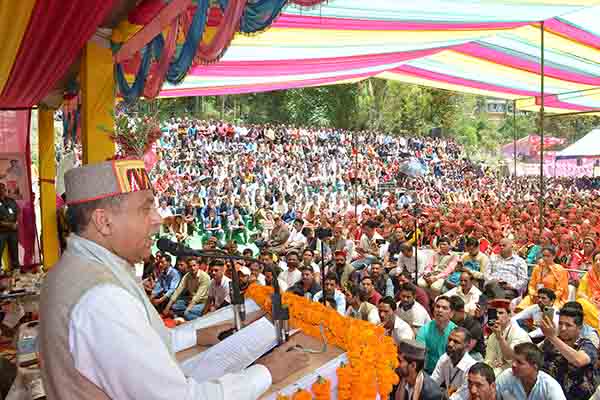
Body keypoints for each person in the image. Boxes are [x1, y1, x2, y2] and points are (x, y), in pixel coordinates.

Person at [38, 159, 308, 399]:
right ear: (104, 222)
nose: (158, 220)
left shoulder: (70, 270)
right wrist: (268, 371)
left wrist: (194, 336)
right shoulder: (102, 299)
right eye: (146, 209)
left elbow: (131, 347)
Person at [540, 302, 598, 399]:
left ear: (579, 328)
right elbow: (533, 355)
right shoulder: (551, 341)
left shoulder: (587, 345)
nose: (562, 328)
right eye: (560, 323)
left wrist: (552, 337)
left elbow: (578, 360)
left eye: (568, 325)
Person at [495, 343, 566, 400]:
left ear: (535, 367)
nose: (513, 365)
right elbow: (492, 396)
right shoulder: (506, 376)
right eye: (513, 360)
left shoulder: (550, 386)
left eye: (519, 362)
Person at [484, 298, 531, 376]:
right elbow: (489, 359)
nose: (497, 316)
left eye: (501, 313)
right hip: (500, 370)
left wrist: (500, 338)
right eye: (495, 313)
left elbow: (510, 357)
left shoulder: (518, 333)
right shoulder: (493, 335)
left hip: (519, 373)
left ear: (509, 316)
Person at [431, 327, 476, 400]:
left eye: (456, 342)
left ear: (467, 346)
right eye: (449, 339)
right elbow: (432, 384)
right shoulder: (444, 358)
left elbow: (461, 397)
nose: (450, 344)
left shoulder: (472, 367)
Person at [517, 246, 568, 311]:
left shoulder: (560, 270)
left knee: (550, 310)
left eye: (548, 256)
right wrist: (534, 294)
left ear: (554, 256)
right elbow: (531, 285)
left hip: (552, 298)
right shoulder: (537, 268)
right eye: (543, 256)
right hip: (536, 296)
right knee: (523, 306)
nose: (545, 258)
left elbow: (561, 290)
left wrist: (548, 297)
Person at [416, 296, 457, 374]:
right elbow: (419, 354)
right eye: (437, 307)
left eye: (444, 308)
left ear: (451, 314)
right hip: (428, 372)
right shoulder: (425, 329)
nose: (439, 310)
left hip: (449, 373)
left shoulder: (456, 333)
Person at [449, 296, 484, 361]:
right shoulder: (450, 322)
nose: (450, 317)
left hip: (473, 354)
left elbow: (466, 350)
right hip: (454, 350)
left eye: (453, 314)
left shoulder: (474, 325)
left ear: (461, 311)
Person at [577, 250, 600, 330]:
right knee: (581, 302)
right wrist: (589, 300)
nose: (598, 262)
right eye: (596, 260)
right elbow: (580, 292)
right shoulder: (588, 275)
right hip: (591, 304)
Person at [0, 183, 19, 270]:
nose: (3, 191)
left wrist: (16, 222)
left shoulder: (11, 201)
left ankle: (16, 270)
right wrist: (9, 224)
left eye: (4, 189)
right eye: (1, 189)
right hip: (1, 232)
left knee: (14, 252)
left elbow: (18, 212)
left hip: (13, 231)